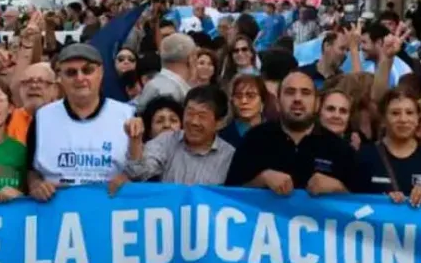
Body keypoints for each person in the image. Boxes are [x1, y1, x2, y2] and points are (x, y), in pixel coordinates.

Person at [27, 43, 135, 202]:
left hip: (111, 210)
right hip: (57, 211)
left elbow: (141, 167)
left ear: (101, 72)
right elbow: (31, 169)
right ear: (60, 77)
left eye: (87, 70)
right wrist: (35, 185)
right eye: (71, 72)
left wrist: (128, 179)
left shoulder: (127, 114)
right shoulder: (42, 117)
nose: (80, 78)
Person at [225, 70, 360, 196]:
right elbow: (228, 198)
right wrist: (261, 180)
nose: (297, 99)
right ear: (277, 102)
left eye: (305, 93)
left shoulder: (340, 149)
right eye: (290, 92)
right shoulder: (254, 140)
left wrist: (338, 188)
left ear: (317, 103)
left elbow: (364, 208)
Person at [112, 85, 234, 191]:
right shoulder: (166, 142)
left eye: (202, 116)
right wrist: (135, 140)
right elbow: (138, 173)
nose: (194, 122)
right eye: (190, 113)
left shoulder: (230, 157)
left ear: (220, 123)